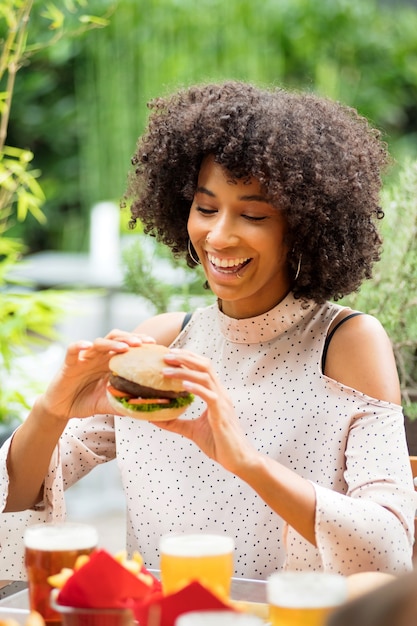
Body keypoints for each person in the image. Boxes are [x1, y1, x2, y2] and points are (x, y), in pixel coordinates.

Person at [1, 80, 416, 580]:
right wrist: (54, 407)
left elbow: (390, 550)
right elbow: (16, 504)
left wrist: (245, 461)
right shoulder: (160, 344)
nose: (219, 235)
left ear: (304, 225)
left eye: (253, 214)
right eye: (206, 208)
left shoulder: (346, 343)